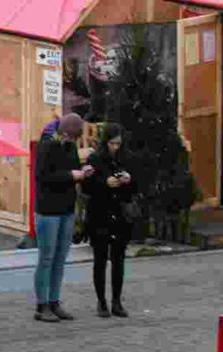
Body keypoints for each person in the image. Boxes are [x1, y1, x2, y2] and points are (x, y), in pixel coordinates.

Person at [30, 114, 88, 323]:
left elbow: (72, 169)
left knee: (60, 258)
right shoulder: (46, 144)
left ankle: (54, 301)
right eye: (71, 138)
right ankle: (41, 305)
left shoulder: (68, 145)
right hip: (47, 210)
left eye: (75, 139)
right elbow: (42, 177)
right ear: (63, 132)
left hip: (66, 208)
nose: (73, 143)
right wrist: (72, 176)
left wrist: (83, 172)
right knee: (47, 258)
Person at [84, 122, 136, 319]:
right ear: (105, 142)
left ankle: (116, 301)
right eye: (113, 143)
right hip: (100, 214)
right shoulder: (95, 158)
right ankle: (101, 301)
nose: (116, 147)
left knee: (118, 259)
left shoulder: (125, 158)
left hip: (120, 215)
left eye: (118, 143)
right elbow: (86, 187)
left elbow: (134, 188)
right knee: (100, 259)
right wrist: (104, 183)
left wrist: (128, 180)